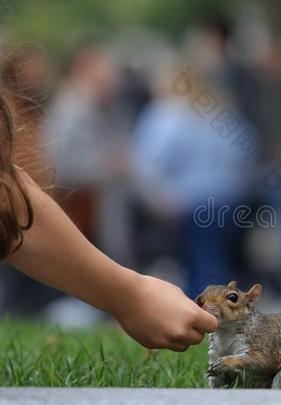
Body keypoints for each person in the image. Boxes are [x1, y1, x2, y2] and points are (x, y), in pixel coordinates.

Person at [0, 88, 217, 351]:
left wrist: (132, 296)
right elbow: (15, 198)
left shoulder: (108, 110)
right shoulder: (75, 109)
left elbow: (12, 202)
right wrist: (132, 297)